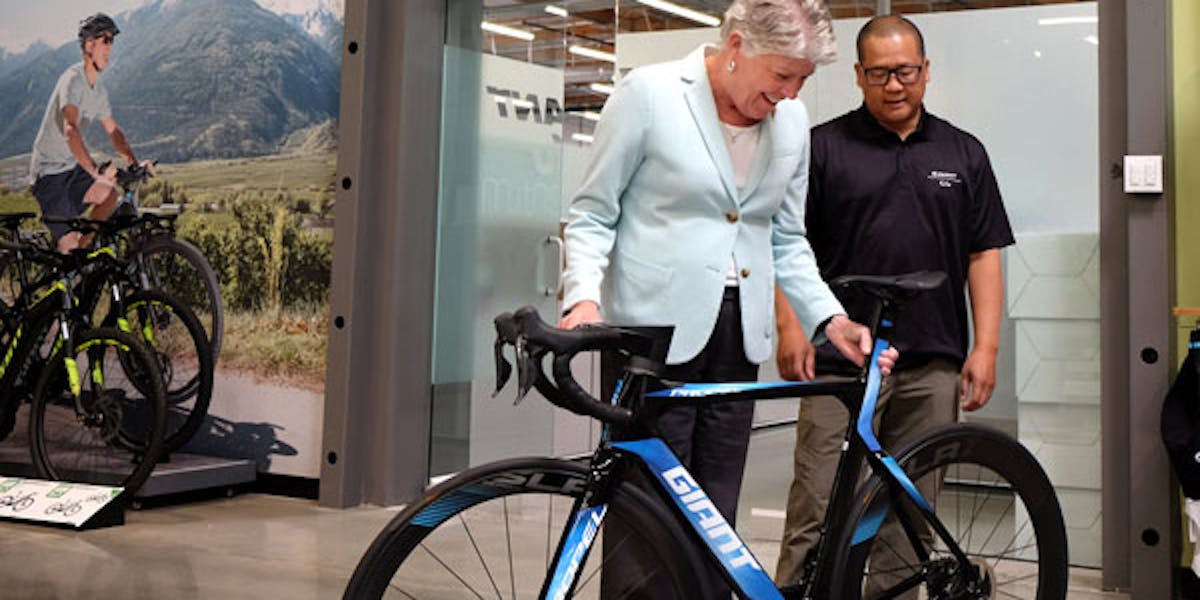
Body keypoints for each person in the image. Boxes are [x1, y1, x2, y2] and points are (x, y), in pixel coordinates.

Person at [558, 0, 893, 595]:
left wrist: (829, 319)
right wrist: (582, 298)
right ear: (736, 45)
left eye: (804, 81)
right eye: (782, 76)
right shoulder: (649, 95)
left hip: (741, 333)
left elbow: (786, 239)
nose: (791, 95)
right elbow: (590, 215)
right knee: (645, 507)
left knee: (716, 513)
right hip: (650, 338)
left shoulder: (789, 124)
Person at [773, 15, 1014, 593]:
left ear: (926, 71)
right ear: (858, 75)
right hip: (840, 360)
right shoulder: (822, 149)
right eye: (879, 73)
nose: (894, 85)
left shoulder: (964, 152)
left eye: (905, 71)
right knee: (819, 498)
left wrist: (985, 347)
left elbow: (984, 256)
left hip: (932, 359)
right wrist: (791, 328)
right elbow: (786, 243)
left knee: (909, 511)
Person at [29, 13, 152, 253]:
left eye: (112, 41)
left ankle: (80, 256)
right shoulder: (72, 81)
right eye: (105, 40)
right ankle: (71, 260)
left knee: (108, 197)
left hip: (69, 169)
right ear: (89, 45)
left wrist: (134, 163)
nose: (110, 46)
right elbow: (70, 130)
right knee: (70, 247)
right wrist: (96, 171)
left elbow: (113, 130)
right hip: (49, 175)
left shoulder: (98, 90)